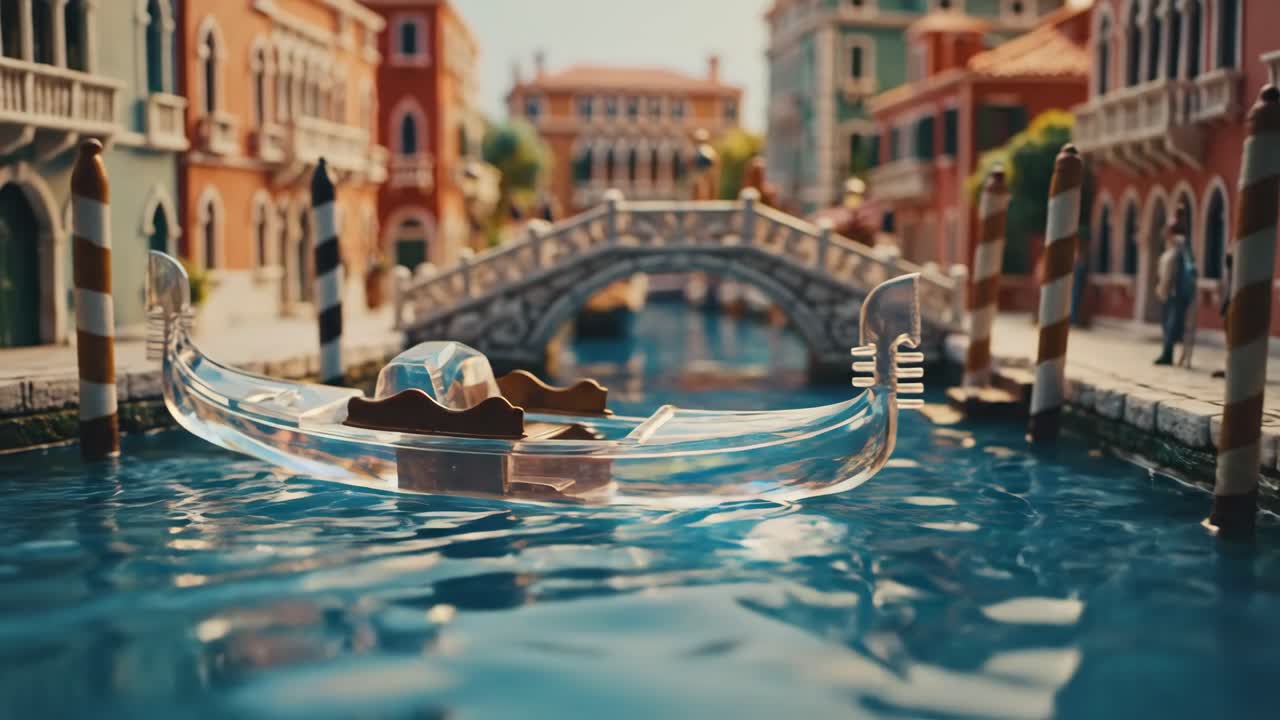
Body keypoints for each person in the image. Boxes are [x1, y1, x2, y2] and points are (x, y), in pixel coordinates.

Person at [1154, 205, 1197, 365]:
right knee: (1168, 323)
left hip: (1177, 290)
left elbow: (1188, 264)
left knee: (1173, 324)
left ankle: (1168, 353)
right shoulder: (1174, 242)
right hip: (1170, 289)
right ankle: (1168, 353)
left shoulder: (1181, 242)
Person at [1212, 249, 1233, 378]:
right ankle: (1229, 366)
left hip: (1232, 305)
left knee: (1232, 338)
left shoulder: (1235, 273)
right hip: (1229, 304)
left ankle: (1232, 367)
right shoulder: (1230, 273)